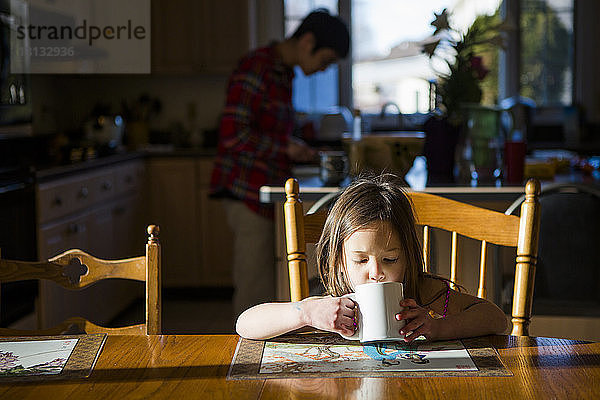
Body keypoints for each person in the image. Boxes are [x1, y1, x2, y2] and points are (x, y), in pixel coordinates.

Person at [236, 173, 509, 341]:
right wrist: (305, 313)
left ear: (409, 258)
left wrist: (437, 327)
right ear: (340, 261)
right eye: (360, 260)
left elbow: (496, 319)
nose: (376, 272)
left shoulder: (424, 294)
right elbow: (245, 323)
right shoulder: (331, 302)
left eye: (390, 260)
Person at [210, 9, 351, 317]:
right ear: (308, 41)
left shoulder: (282, 72)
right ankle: (245, 356)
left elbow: (267, 125)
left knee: (264, 280)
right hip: (247, 192)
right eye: (325, 60)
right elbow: (233, 135)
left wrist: (298, 140)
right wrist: (285, 147)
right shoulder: (256, 67)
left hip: (264, 187)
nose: (324, 70)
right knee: (253, 286)